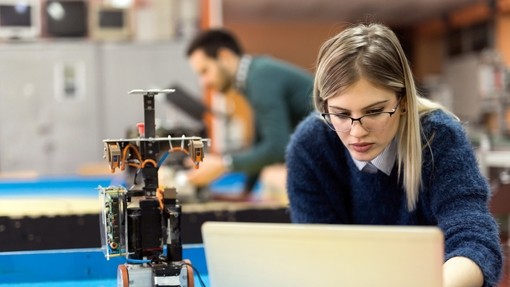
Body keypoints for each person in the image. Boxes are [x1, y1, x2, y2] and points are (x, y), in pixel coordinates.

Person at [286, 23, 503, 287]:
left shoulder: (438, 137)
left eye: (375, 111)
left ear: (403, 102)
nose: (357, 132)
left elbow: (474, 240)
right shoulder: (310, 146)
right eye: (341, 115)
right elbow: (318, 256)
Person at [185, 29, 314, 196]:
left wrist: (223, 164)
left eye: (205, 71)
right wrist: (245, 192)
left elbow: (277, 146)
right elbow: (259, 141)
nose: (204, 83)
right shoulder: (255, 75)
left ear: (224, 57)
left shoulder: (260, 78)